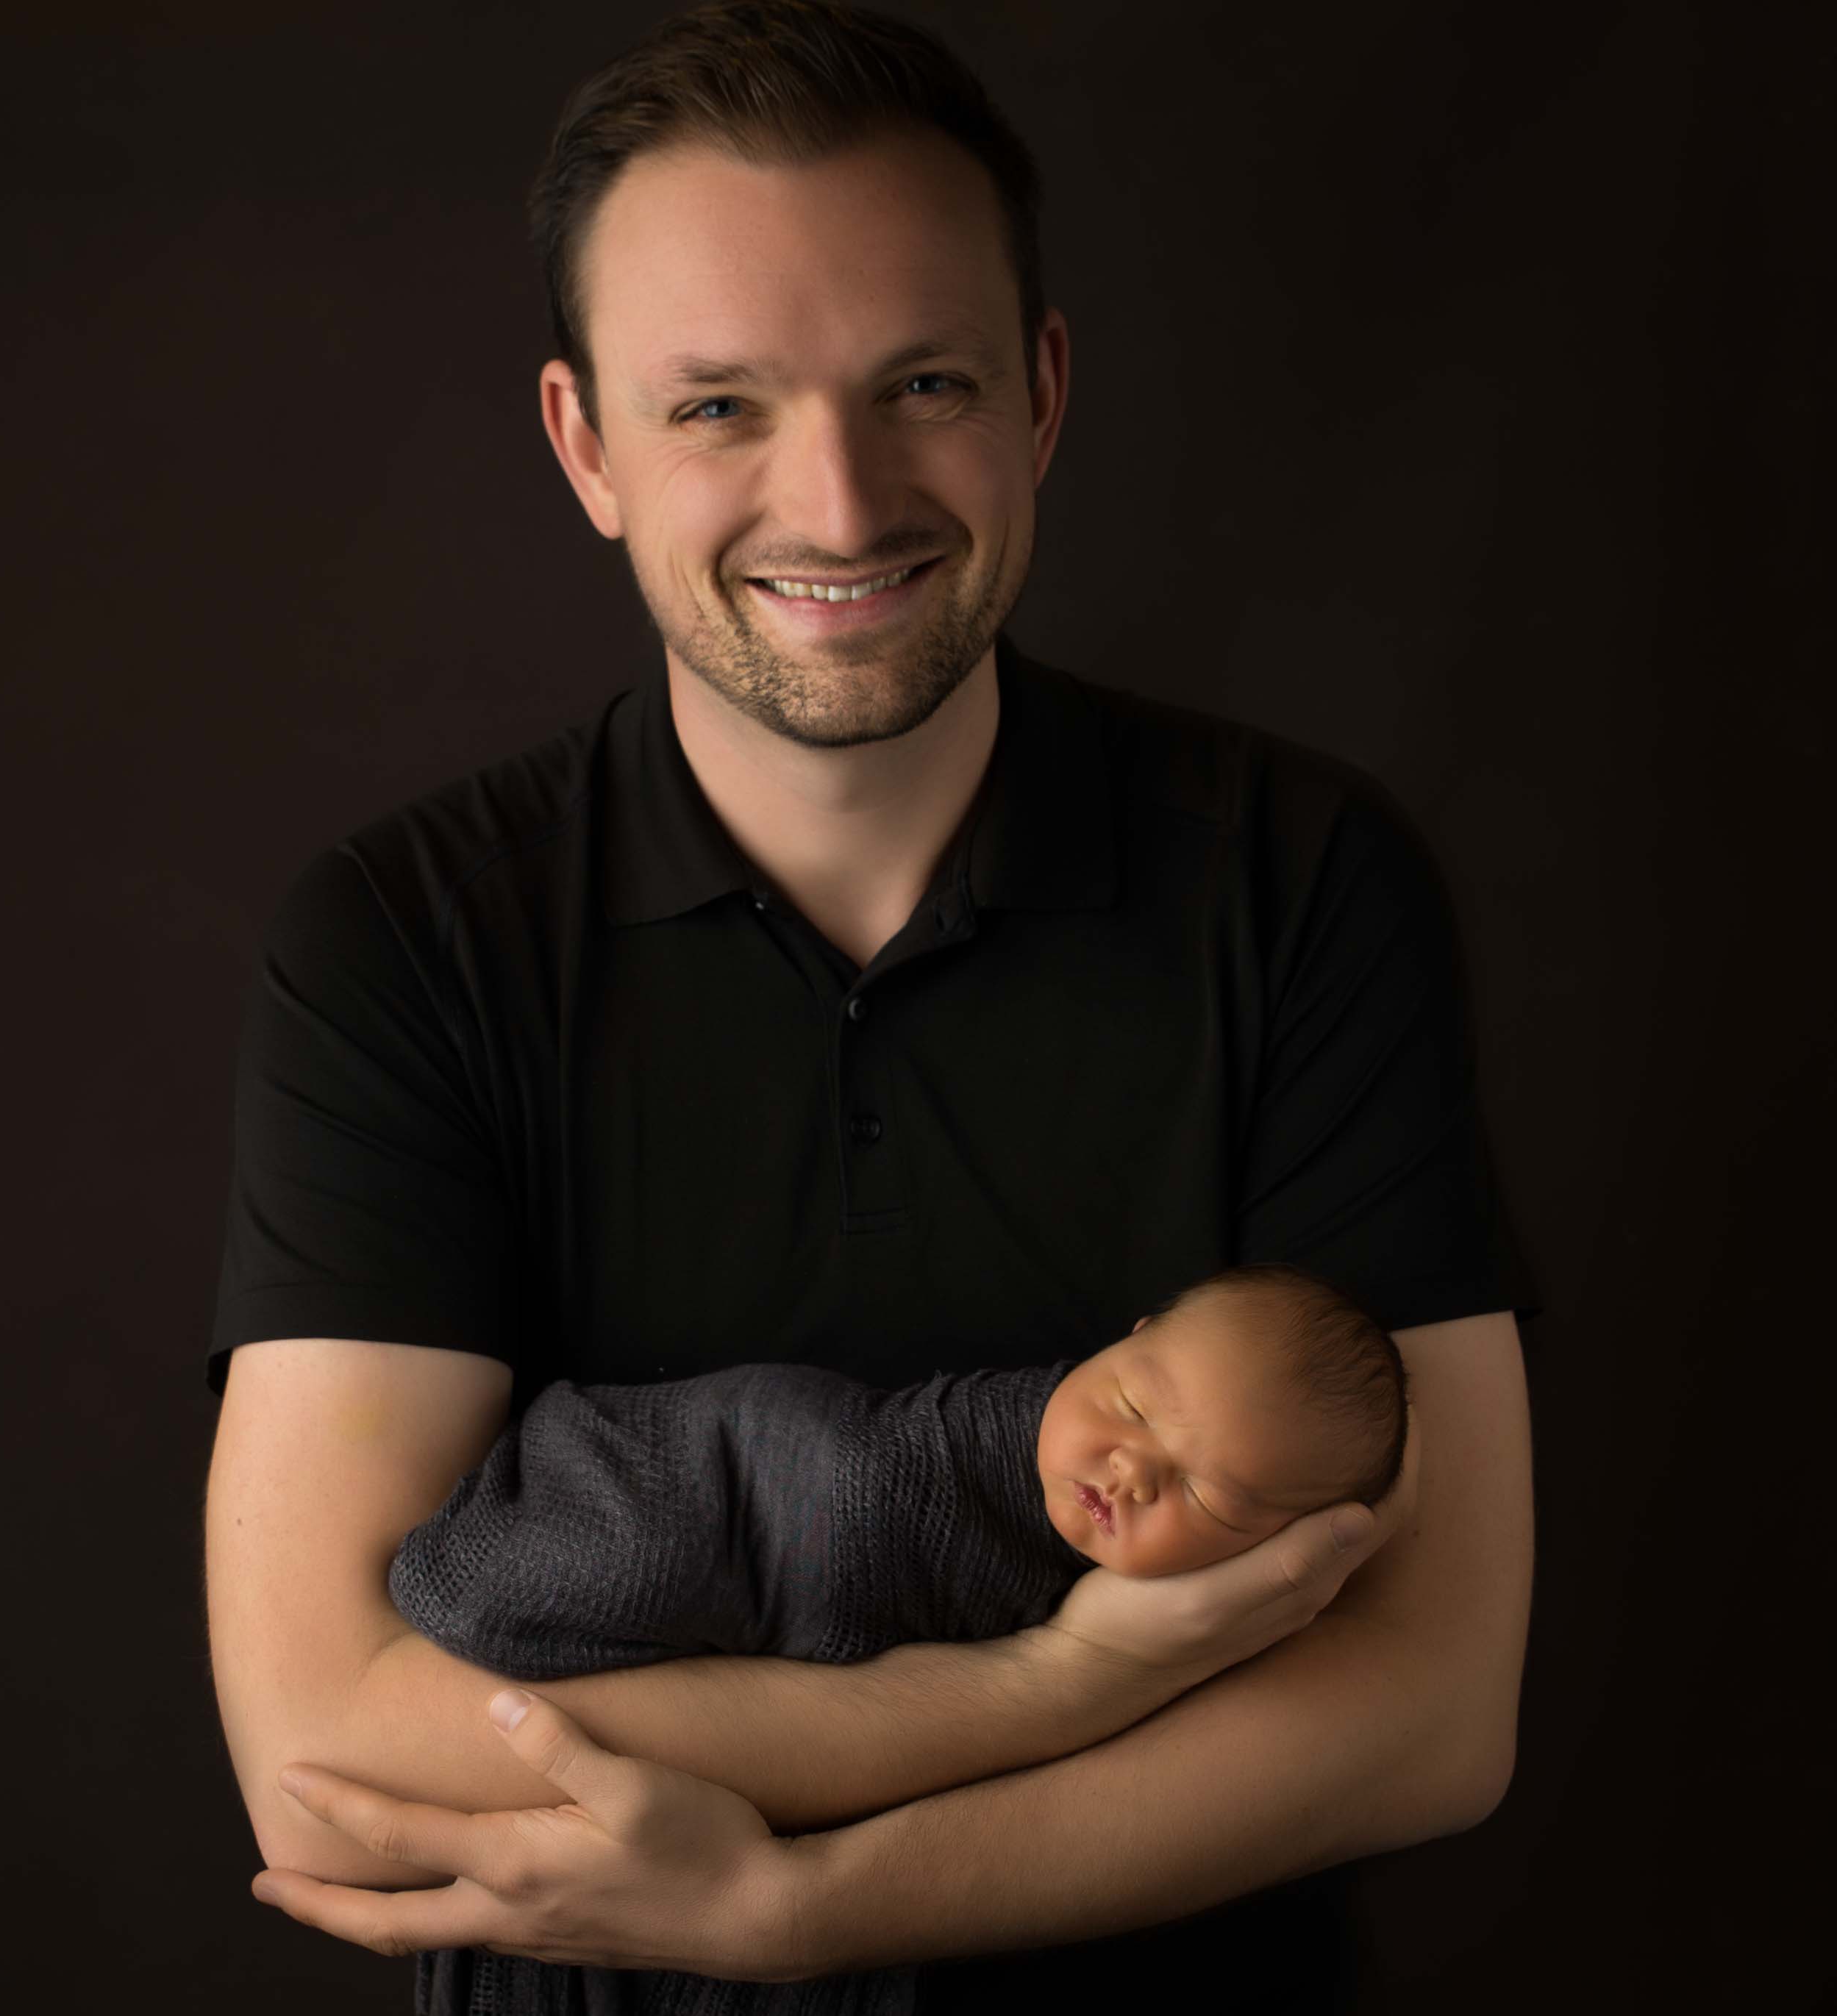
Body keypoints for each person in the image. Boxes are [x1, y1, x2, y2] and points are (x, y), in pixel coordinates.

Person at [201, 2, 1533, 2009]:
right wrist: (1047, 1683)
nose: (838, 503)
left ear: (1043, 394)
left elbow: (1427, 1703)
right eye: (717, 405)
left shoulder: (1302, 881)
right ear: (584, 449)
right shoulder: (402, 933)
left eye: (920, 381)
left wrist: (798, 1906)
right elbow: (325, 1743)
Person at [388, 1264, 1410, 1695]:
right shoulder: (955, 1446)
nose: (1131, 1468)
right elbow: (848, 1479)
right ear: (1126, 1339)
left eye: (1209, 1498)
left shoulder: (1181, 1630)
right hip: (777, 1465)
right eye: (1134, 1405)